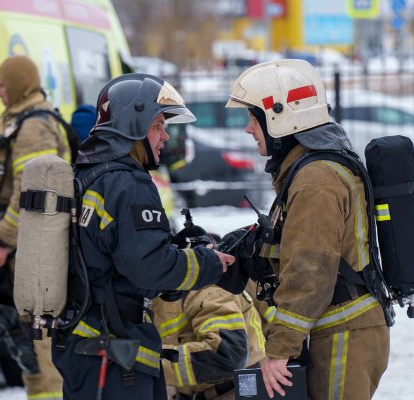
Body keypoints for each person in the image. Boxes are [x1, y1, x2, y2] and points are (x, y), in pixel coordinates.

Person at [51, 73, 235, 400]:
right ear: (133, 125)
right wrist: (208, 262)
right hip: (113, 354)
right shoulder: (128, 183)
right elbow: (148, 267)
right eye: (158, 125)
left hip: (88, 345)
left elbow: (121, 259)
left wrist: (173, 249)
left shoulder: (91, 175)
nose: (165, 136)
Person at [224, 59, 390, 399]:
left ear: (277, 118)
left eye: (252, 118)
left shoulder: (316, 181)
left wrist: (279, 350)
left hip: (343, 330)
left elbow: (309, 269)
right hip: (336, 327)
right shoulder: (308, 171)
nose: (248, 129)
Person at [0, 54, 70, 399]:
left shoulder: (35, 128)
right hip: (26, 252)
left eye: (1, 84)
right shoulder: (17, 119)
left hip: (37, 255)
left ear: (17, 84)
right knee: (29, 346)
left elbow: (32, 195)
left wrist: (0, 240)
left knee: (42, 346)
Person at [151, 285, 265, 400]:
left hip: (237, 392)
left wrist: (149, 362)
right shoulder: (154, 298)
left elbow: (227, 356)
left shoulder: (207, 289)